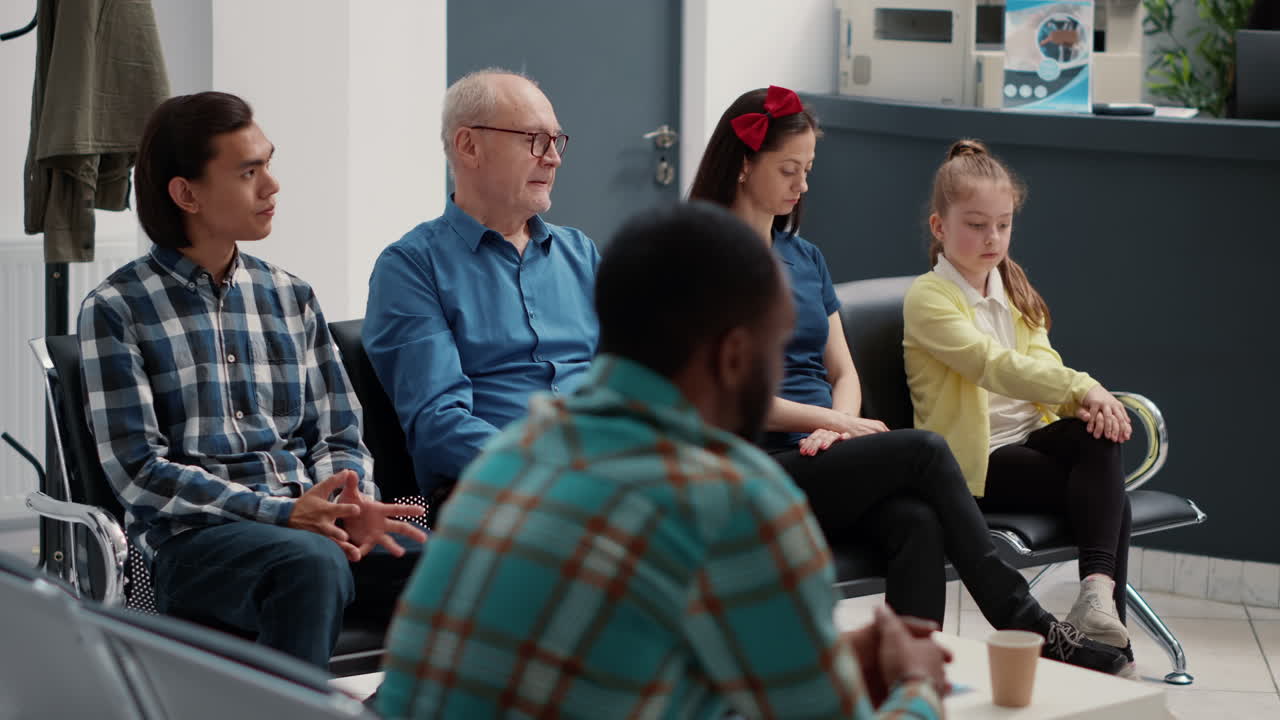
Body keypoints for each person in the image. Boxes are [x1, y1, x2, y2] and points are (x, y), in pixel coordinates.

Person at [376, 202, 953, 720]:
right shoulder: (734, 498)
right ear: (733, 357)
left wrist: (824, 662)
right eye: (772, 351)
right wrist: (917, 685)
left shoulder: (511, 456)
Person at [688, 86, 1128, 676]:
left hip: (825, 453)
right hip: (756, 464)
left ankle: (910, 686)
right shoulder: (701, 260)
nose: (803, 185)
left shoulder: (806, 257)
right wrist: (833, 421)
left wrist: (841, 428)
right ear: (744, 164)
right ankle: (1023, 618)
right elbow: (723, 398)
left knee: (917, 523)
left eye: (808, 169)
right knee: (924, 448)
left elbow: (841, 370)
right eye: (789, 169)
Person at [78, 92, 427, 668]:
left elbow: (338, 432)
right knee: (308, 567)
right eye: (248, 171)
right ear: (186, 193)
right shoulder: (117, 309)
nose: (272, 185)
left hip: (312, 527)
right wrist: (285, 515)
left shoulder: (290, 296)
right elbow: (140, 471)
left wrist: (348, 502)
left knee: (455, 569)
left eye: (268, 163)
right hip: (198, 546)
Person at [903, 139, 1136, 667]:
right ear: (940, 227)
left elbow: (1043, 366)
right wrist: (1084, 388)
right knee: (1109, 497)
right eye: (977, 224)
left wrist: (1086, 401)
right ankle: (1109, 635)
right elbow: (992, 364)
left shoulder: (1012, 285)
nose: (993, 238)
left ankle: (1096, 597)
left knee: (1098, 437)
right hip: (978, 462)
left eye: (1003, 225)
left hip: (1030, 442)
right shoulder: (929, 297)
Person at [363, 69, 598, 517]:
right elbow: (439, 426)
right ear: (468, 145)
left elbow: (631, 383)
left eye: (556, 141)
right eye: (534, 139)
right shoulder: (411, 267)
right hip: (496, 489)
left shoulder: (581, 255)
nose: (553, 158)